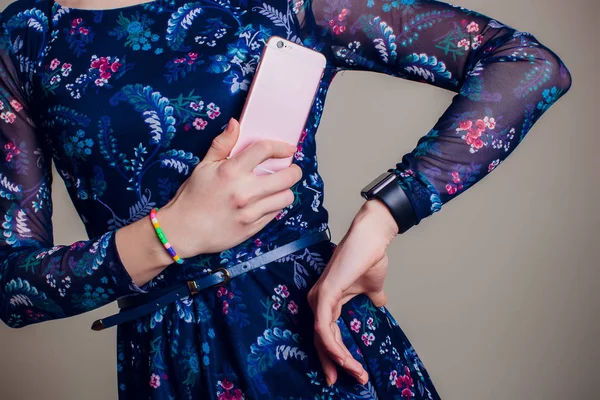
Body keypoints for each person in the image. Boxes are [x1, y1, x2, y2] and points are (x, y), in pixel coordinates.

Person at [0, 0, 571, 398]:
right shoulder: (27, 35)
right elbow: (13, 287)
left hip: (314, 340)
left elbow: (525, 66)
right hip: (167, 368)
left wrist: (383, 215)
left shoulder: (283, 0)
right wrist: (172, 232)